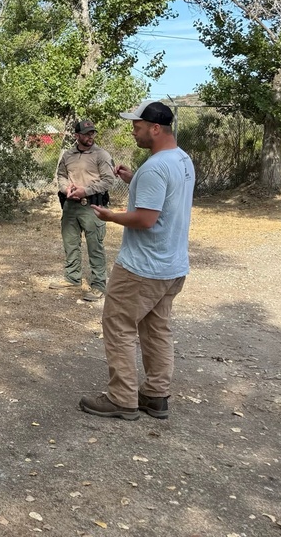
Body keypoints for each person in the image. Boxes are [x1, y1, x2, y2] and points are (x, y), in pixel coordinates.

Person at [79, 101, 195, 421]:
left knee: (118, 325)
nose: (134, 130)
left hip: (143, 268)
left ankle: (122, 398)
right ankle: (156, 396)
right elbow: (165, 200)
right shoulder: (182, 160)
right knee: (157, 329)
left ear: (155, 128)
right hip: (172, 267)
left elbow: (145, 219)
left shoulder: (156, 166)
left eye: (137, 125)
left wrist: (110, 215)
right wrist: (134, 179)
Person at [55, 119, 116, 301]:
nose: (91, 137)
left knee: (95, 245)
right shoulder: (68, 155)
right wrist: (66, 189)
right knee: (70, 243)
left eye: (92, 133)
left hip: (92, 206)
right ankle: (72, 278)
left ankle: (98, 285)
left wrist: (85, 190)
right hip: (70, 205)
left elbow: (108, 180)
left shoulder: (101, 155)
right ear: (77, 136)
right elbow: (61, 175)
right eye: (87, 133)